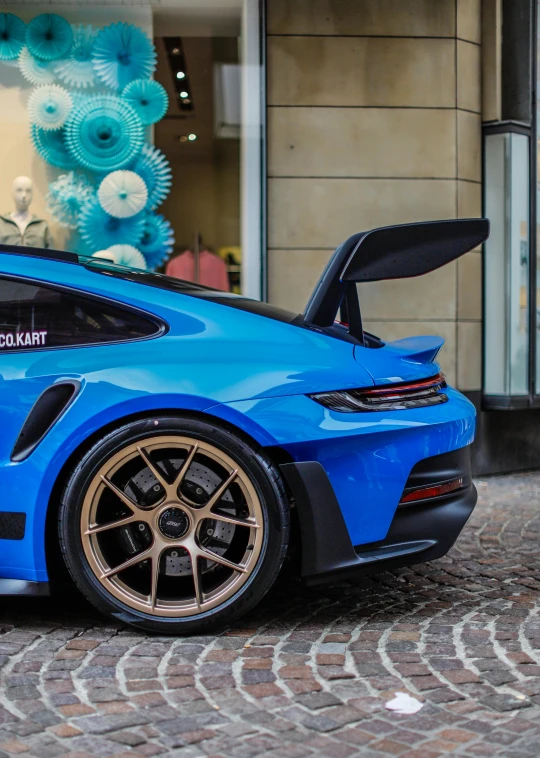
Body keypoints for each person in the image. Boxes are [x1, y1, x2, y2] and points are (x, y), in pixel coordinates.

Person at [0, 176, 53, 248]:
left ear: (32, 194)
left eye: (28, 191)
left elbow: (49, 256)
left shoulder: (42, 226)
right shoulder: (1, 224)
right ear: (12, 193)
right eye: (19, 190)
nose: (24, 195)